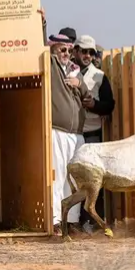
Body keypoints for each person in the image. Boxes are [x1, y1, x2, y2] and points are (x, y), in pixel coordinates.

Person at [48, 30, 88, 233]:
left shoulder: (74, 69)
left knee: (75, 179)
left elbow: (87, 95)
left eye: (68, 50)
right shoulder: (52, 66)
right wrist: (42, 23)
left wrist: (78, 84)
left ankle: (72, 221)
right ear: (53, 49)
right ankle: (56, 220)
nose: (66, 53)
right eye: (62, 49)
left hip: (77, 134)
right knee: (57, 175)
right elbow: (39, 44)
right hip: (58, 131)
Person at [74, 34, 115, 230]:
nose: (88, 55)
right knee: (74, 181)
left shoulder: (99, 76)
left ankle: (93, 222)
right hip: (72, 135)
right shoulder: (68, 73)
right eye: (84, 51)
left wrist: (95, 105)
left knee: (94, 181)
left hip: (92, 136)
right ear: (76, 51)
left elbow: (110, 105)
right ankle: (74, 221)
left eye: (91, 52)